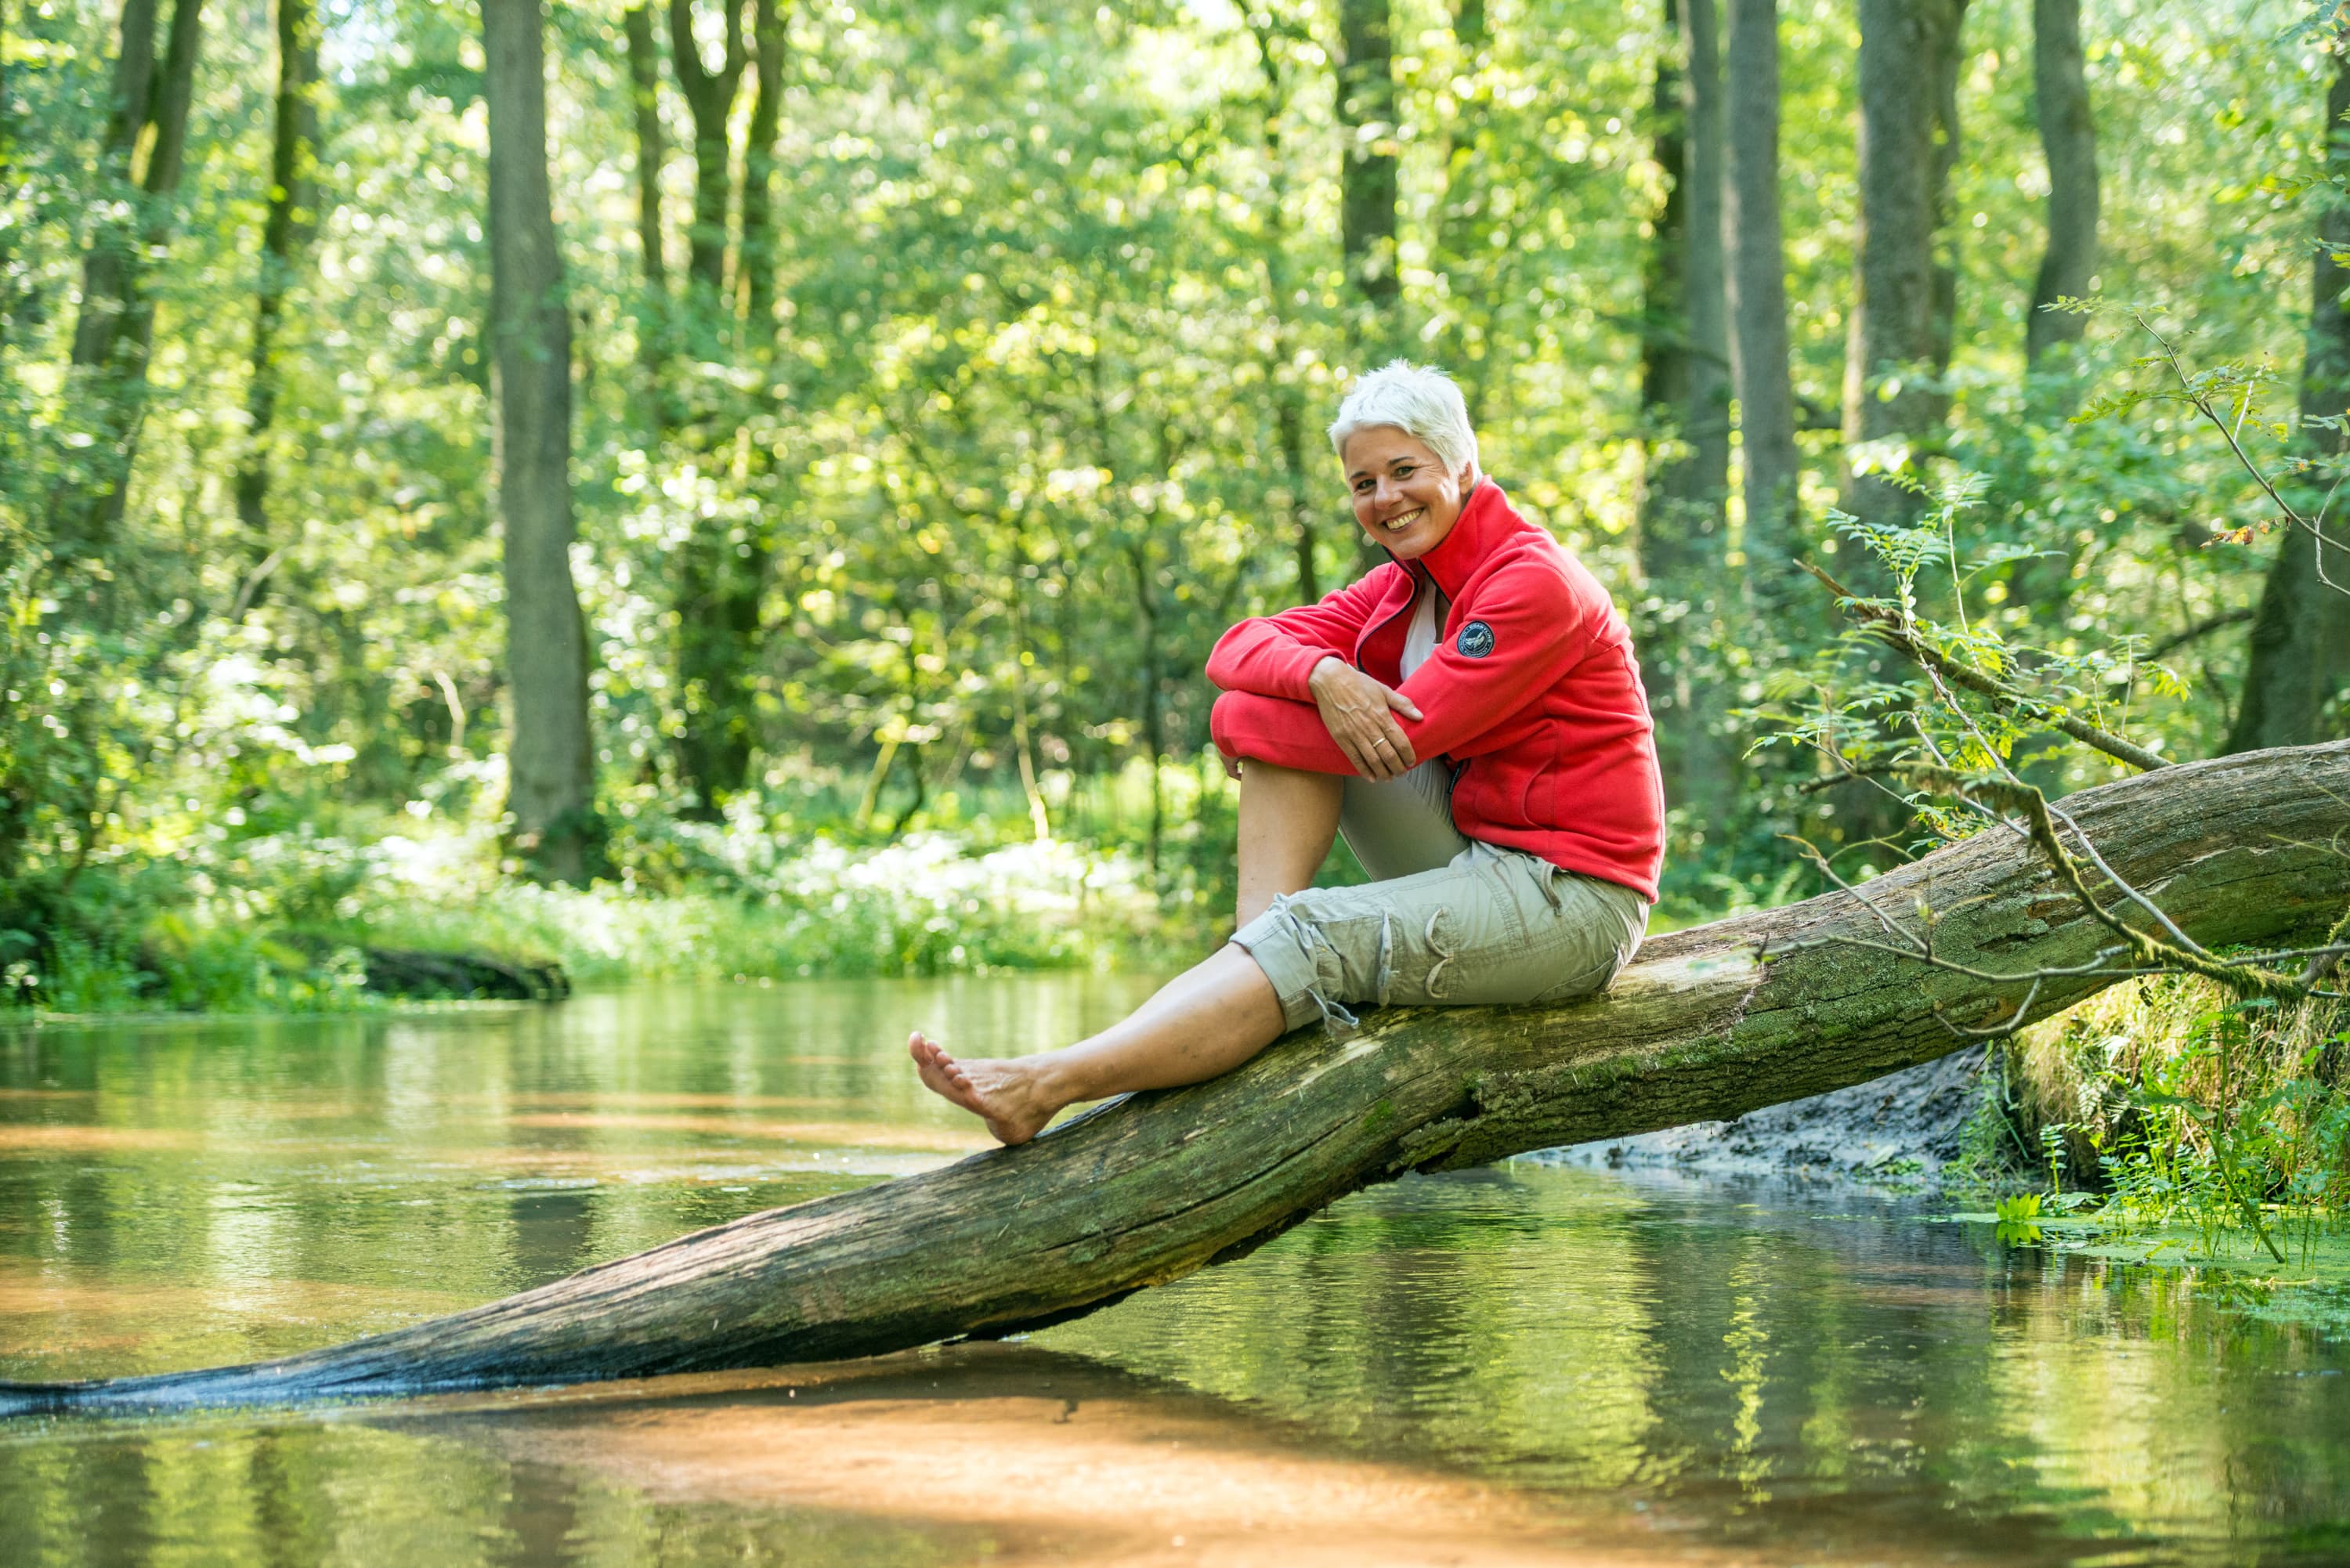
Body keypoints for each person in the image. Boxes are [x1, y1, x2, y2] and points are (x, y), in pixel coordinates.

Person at [910, 362, 1665, 1146]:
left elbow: (1403, 738)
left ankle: (1047, 1082)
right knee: (1277, 709)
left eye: (1406, 470)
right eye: (1362, 482)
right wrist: (1320, 671)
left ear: (1462, 465)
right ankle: (1257, 954)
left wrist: (1244, 716)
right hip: (1477, 848)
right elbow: (1240, 646)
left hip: (1572, 900)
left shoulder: (1531, 583)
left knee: (1300, 874)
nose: (1384, 498)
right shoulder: (1403, 589)